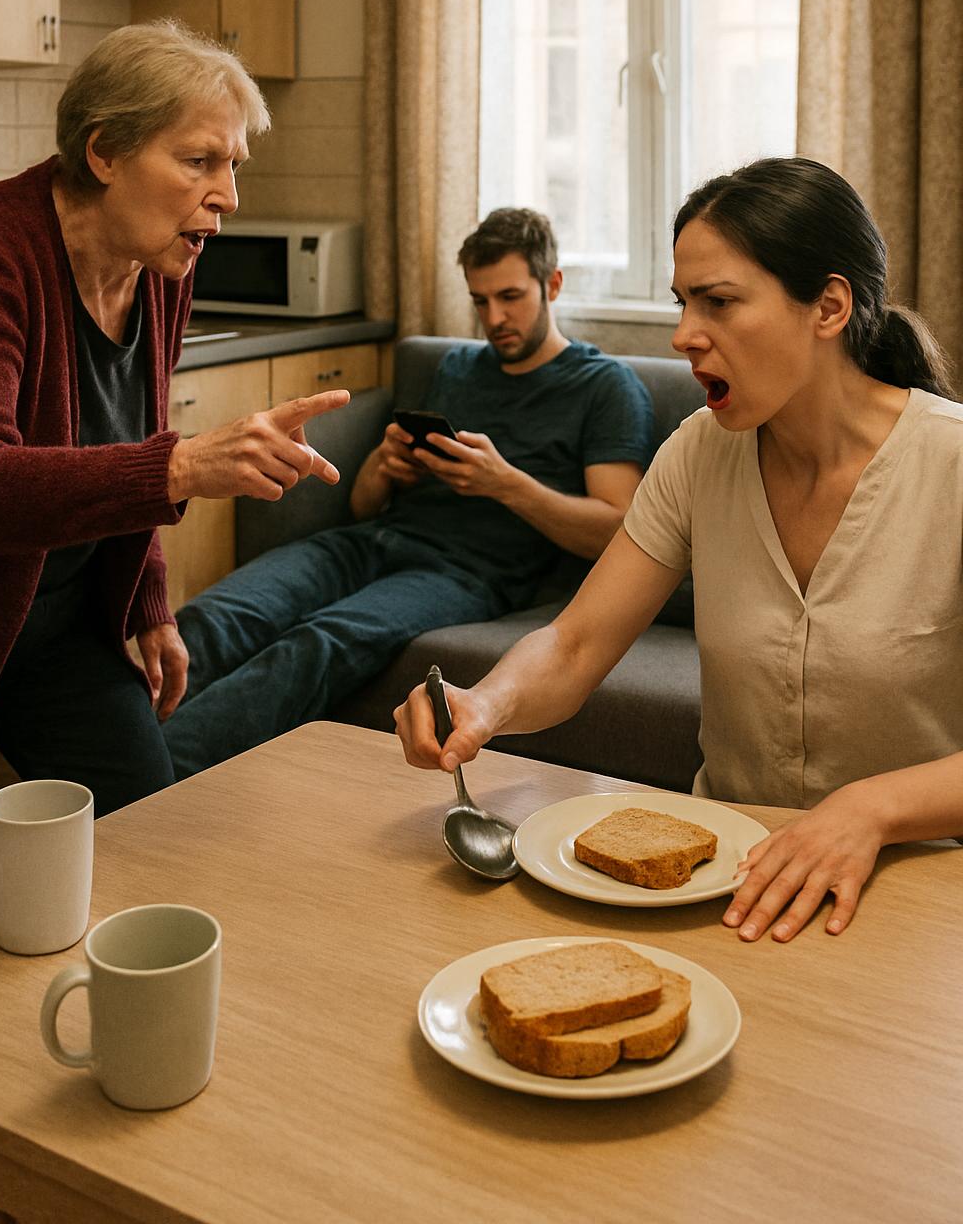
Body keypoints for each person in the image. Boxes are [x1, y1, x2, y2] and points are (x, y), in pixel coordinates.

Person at [395, 157, 963, 944]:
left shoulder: (952, 464)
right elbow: (575, 643)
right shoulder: (699, 451)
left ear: (829, 307)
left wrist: (871, 808)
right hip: (726, 878)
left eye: (718, 302)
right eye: (683, 302)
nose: (684, 335)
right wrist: (485, 704)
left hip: (916, 891)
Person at [0, 21, 348, 851]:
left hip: (65, 622)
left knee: (148, 839)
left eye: (233, 165)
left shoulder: (161, 266)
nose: (228, 196)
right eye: (199, 161)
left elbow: (132, 431)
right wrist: (185, 467)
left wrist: (150, 600)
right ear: (104, 153)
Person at [164, 208, 655, 778]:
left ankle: (153, 778)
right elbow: (362, 505)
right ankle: (115, 761)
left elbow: (616, 532)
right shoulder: (457, 367)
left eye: (511, 297)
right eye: (479, 301)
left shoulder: (605, 386)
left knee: (318, 643)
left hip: (465, 572)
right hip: (371, 541)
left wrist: (505, 484)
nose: (494, 318)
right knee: (213, 617)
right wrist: (384, 463)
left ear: (553, 285)